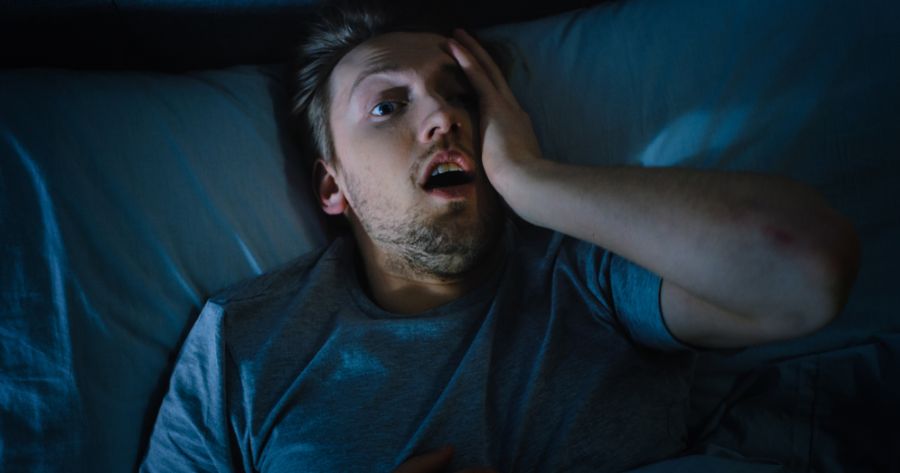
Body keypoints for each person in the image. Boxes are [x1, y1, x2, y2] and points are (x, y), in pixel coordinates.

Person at [140, 3, 861, 472]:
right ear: (333, 187)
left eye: (461, 96)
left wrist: (532, 179)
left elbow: (806, 266)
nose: (443, 117)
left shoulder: (591, 275)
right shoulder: (242, 344)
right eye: (388, 105)